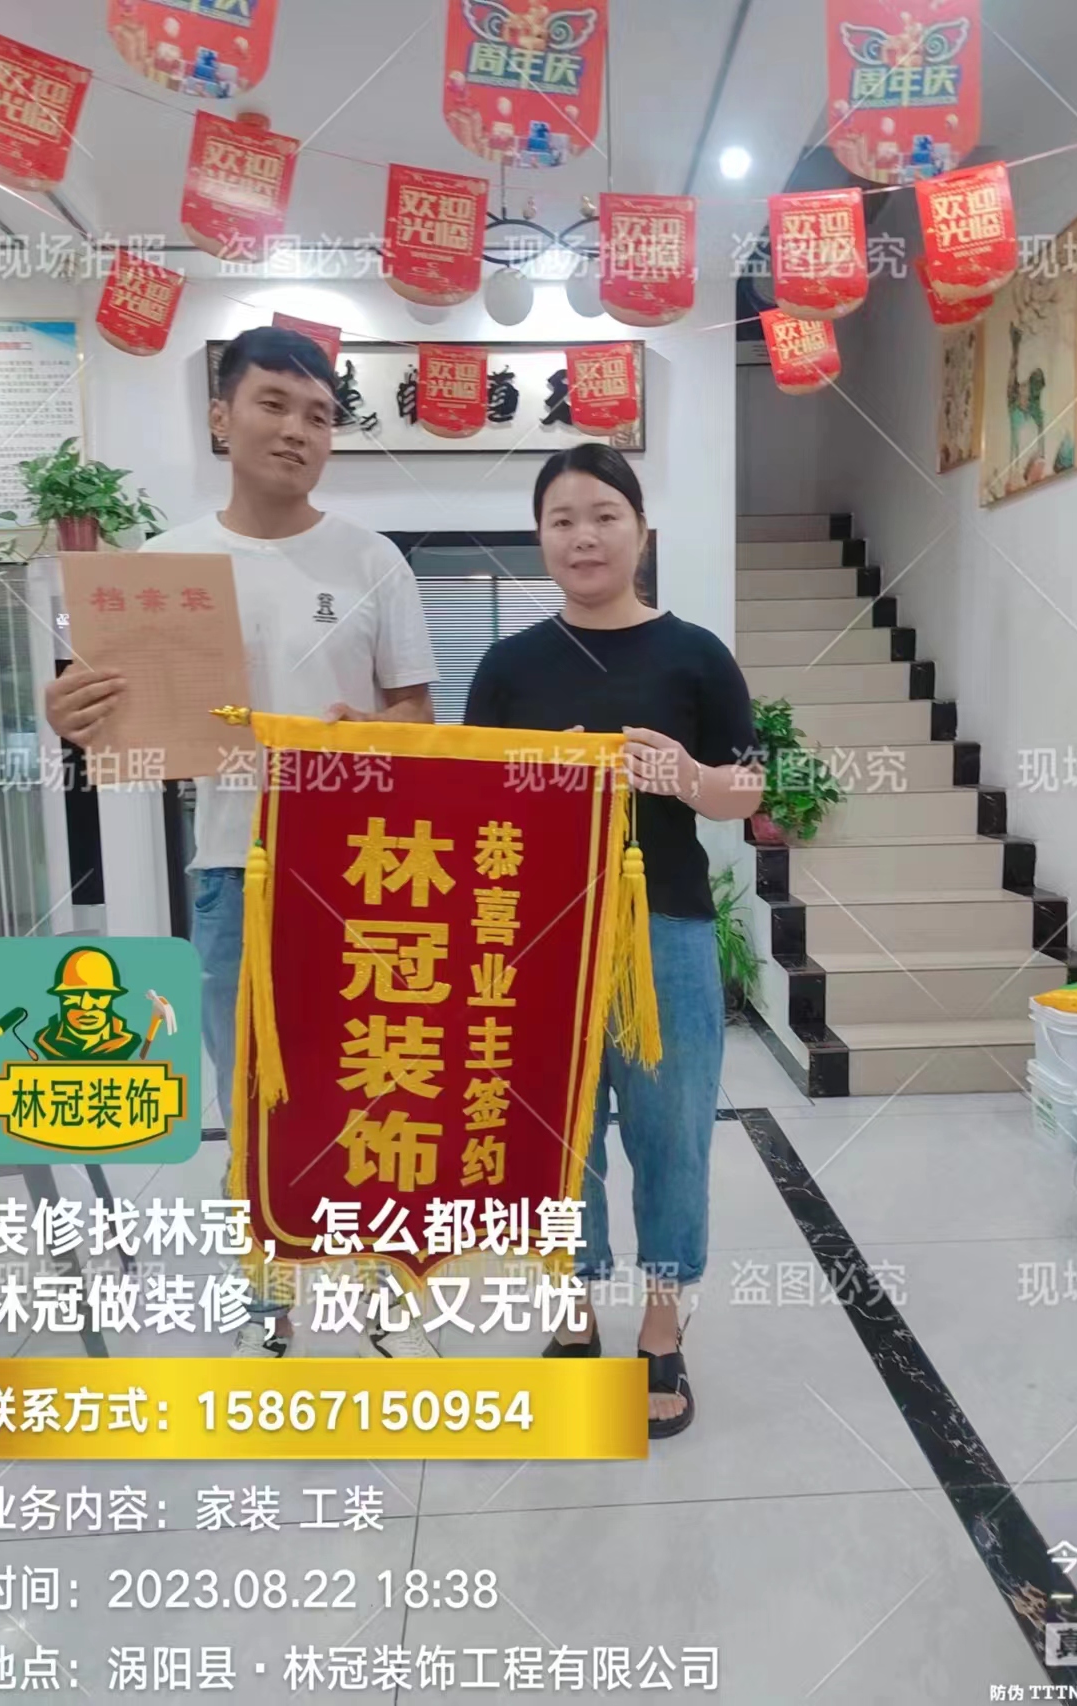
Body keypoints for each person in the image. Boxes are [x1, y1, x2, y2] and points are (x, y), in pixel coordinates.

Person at [43, 325, 440, 1360]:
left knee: (374, 1088)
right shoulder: (165, 567)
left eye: (319, 414)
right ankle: (268, 1302)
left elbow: (419, 715)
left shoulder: (372, 561)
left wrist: (380, 732)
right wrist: (70, 712)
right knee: (252, 1102)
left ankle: (380, 1285)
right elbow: (109, 718)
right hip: (233, 869)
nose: (297, 429)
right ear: (221, 417)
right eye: (273, 403)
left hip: (365, 875)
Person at [464, 443, 763, 1438]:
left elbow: (748, 790)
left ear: (640, 530)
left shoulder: (695, 655)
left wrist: (687, 776)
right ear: (539, 538)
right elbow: (468, 810)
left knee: (671, 1132)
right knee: (554, 1136)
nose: (583, 536)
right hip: (538, 938)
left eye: (603, 515)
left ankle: (662, 1326)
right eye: (561, 519)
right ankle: (570, 1313)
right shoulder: (507, 667)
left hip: (666, 928)